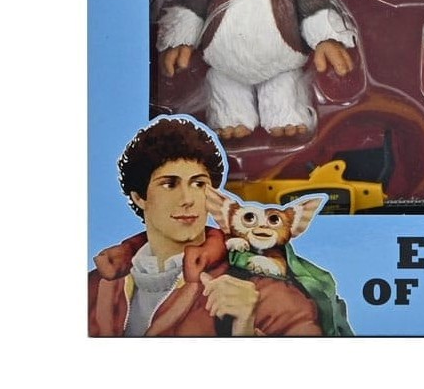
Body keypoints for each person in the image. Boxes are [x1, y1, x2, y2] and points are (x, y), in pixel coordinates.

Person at [89, 116, 322, 336]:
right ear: (139, 197)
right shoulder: (99, 281)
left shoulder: (256, 281)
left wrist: (246, 332)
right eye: (169, 184)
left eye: (199, 184)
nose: (188, 199)